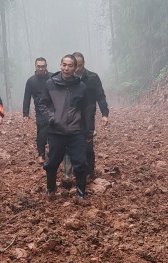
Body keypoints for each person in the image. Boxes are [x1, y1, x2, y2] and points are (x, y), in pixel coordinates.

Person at [37, 54, 90, 199]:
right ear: (60, 65)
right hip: (56, 131)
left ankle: (80, 194)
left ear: (75, 68)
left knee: (80, 163)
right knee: (52, 162)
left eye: (70, 66)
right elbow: (43, 104)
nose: (66, 68)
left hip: (76, 131)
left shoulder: (81, 87)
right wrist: (52, 118)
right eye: (64, 65)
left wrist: (88, 130)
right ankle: (51, 190)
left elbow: (86, 109)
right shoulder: (50, 84)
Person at [73, 52, 109, 177]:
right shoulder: (67, 79)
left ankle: (89, 172)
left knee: (88, 145)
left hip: (88, 115)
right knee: (70, 144)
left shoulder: (92, 77)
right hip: (70, 116)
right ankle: (72, 171)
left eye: (80, 65)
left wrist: (105, 114)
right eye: (75, 65)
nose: (77, 69)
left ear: (84, 64)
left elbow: (100, 96)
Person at [22, 57, 50, 164]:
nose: (41, 68)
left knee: (54, 132)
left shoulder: (53, 77)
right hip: (40, 111)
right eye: (39, 66)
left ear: (46, 66)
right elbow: (27, 97)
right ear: (35, 67)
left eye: (43, 66)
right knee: (41, 133)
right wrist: (26, 113)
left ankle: (53, 154)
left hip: (53, 109)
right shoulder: (31, 81)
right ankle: (41, 154)